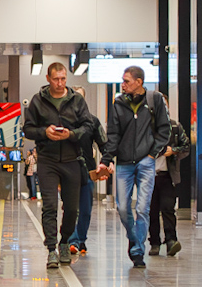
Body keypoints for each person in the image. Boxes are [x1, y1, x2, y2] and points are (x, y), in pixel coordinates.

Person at [93, 66, 170, 269]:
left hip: (146, 161)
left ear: (139, 82)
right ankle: (134, 237)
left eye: (127, 81)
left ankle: (137, 251)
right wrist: (106, 159)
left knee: (143, 208)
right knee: (123, 207)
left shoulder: (155, 100)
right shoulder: (118, 103)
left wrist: (153, 154)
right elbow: (113, 135)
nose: (123, 84)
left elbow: (164, 130)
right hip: (124, 163)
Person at [22, 62, 95, 267]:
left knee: (71, 209)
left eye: (63, 79)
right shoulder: (38, 101)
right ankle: (51, 249)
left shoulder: (77, 100)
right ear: (48, 79)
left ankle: (65, 242)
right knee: (50, 206)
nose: (60, 83)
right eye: (56, 79)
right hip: (48, 160)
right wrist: (44, 132)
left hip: (72, 160)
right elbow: (28, 129)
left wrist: (71, 134)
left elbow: (88, 126)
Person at [147, 104, 190, 256]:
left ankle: (171, 240)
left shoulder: (175, 127)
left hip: (167, 175)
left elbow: (186, 146)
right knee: (151, 211)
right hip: (149, 176)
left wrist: (174, 151)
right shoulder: (145, 128)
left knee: (168, 209)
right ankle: (154, 242)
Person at [68, 86, 106, 256]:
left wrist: (107, 162)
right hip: (68, 170)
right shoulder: (64, 122)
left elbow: (104, 144)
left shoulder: (93, 121)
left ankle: (80, 239)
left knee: (85, 209)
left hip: (88, 171)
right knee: (70, 209)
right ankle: (73, 240)